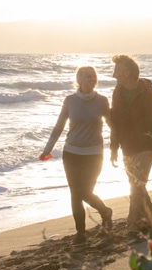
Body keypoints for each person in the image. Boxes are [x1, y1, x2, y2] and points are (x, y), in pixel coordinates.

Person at [40, 66, 113, 244]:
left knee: (85, 192)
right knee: (75, 193)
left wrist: (119, 145)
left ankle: (105, 211)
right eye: (88, 76)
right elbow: (59, 126)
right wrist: (48, 149)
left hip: (94, 153)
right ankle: (81, 233)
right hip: (71, 153)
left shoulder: (102, 101)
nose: (92, 79)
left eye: (94, 76)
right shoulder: (70, 101)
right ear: (79, 79)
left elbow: (113, 124)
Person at [110, 54, 152, 235]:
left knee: (136, 188)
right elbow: (115, 122)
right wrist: (113, 148)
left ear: (127, 72)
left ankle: (132, 227)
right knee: (138, 187)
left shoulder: (150, 94)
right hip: (127, 146)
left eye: (117, 70)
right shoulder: (117, 92)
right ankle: (150, 223)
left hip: (146, 146)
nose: (113, 74)